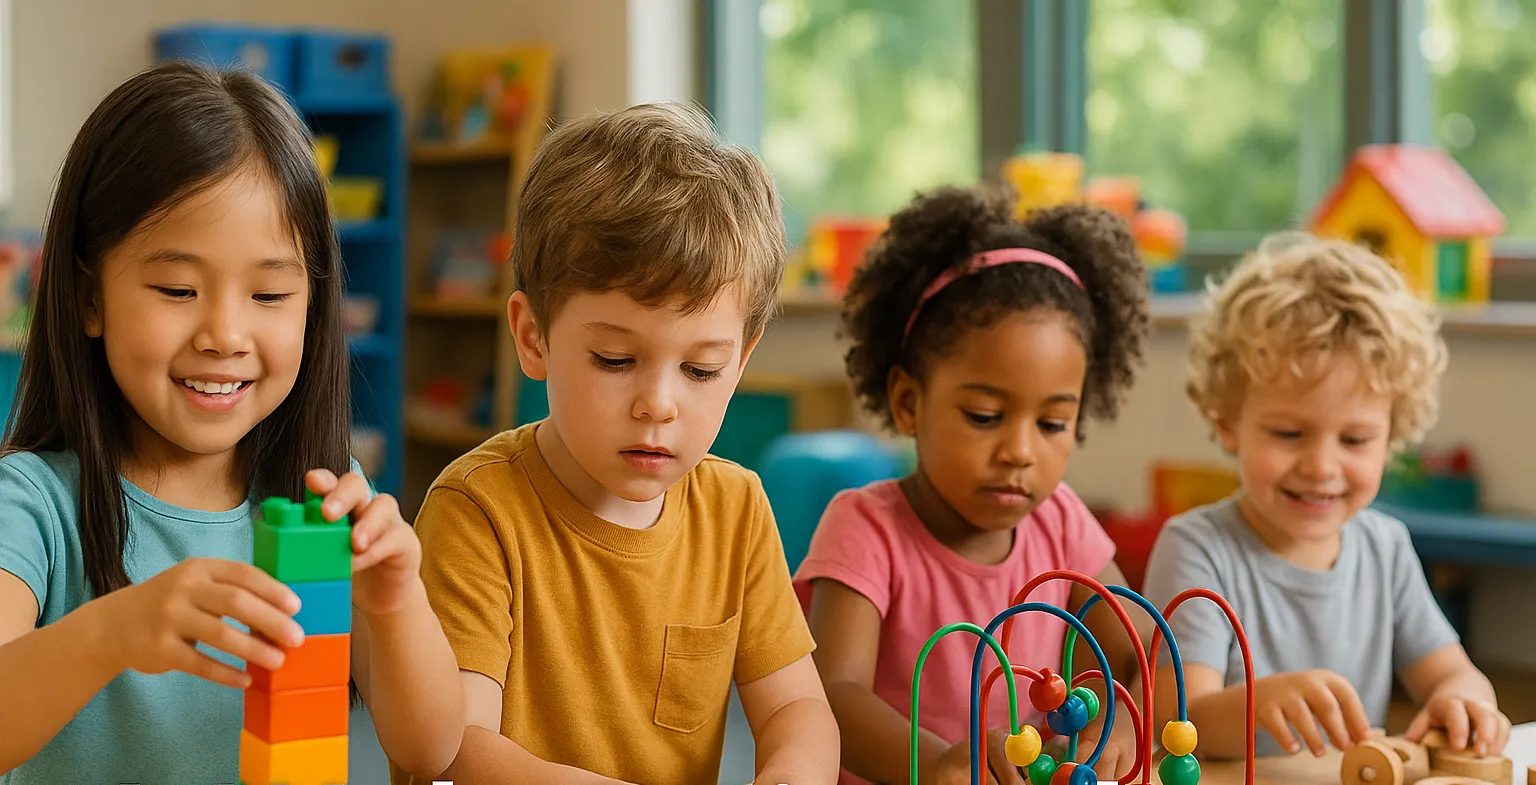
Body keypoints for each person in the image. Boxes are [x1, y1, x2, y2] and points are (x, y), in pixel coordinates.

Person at [0, 61, 464, 783]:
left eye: (270, 293)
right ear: (90, 299)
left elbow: (429, 751)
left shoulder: (326, 505)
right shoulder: (31, 504)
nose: (225, 333)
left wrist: (395, 603)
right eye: (178, 288)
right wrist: (109, 632)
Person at [410, 102, 840, 785]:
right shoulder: (478, 508)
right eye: (614, 358)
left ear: (741, 360)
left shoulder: (737, 508)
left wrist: (792, 771)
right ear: (533, 337)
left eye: (701, 370)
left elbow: (796, 703)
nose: (659, 405)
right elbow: (458, 745)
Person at [797, 186, 1153, 784]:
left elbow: (1148, 654)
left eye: (1052, 424)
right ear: (909, 404)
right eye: (985, 416)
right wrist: (939, 763)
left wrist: (1127, 716)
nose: (1019, 451)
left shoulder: (1061, 522)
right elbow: (833, 694)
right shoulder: (865, 527)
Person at [1142, 233, 1511, 759]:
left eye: (1356, 440)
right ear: (1227, 423)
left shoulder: (1385, 548)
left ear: (1392, 437)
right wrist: (1258, 702)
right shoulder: (1197, 548)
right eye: (1289, 434)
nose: (1320, 466)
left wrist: (1463, 699)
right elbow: (1176, 723)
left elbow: (1453, 672)